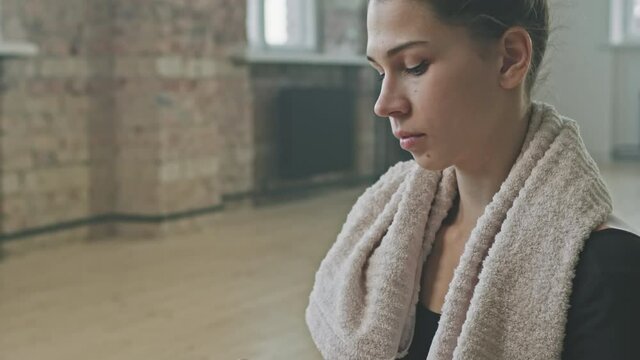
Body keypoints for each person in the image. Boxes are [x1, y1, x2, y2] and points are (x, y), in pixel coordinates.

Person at [305, 0, 640, 359]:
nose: (384, 104)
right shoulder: (382, 230)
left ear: (510, 59)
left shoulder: (606, 270)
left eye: (414, 66)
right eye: (381, 73)